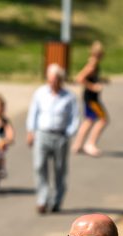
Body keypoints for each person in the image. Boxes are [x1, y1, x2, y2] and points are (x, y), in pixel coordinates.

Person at [25, 63, 80, 214]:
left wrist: (68, 133)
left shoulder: (69, 97)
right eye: (50, 80)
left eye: (55, 80)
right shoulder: (40, 93)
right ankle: (42, 199)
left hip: (60, 135)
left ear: (61, 80)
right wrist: (30, 131)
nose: (52, 83)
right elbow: (33, 113)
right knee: (39, 166)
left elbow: (74, 117)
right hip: (42, 134)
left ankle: (56, 200)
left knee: (59, 169)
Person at [71, 41, 110, 158]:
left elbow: (90, 78)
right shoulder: (92, 64)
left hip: (90, 97)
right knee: (103, 119)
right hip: (91, 98)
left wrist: (101, 80)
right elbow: (79, 78)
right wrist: (93, 87)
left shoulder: (93, 63)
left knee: (89, 120)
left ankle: (77, 145)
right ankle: (90, 144)